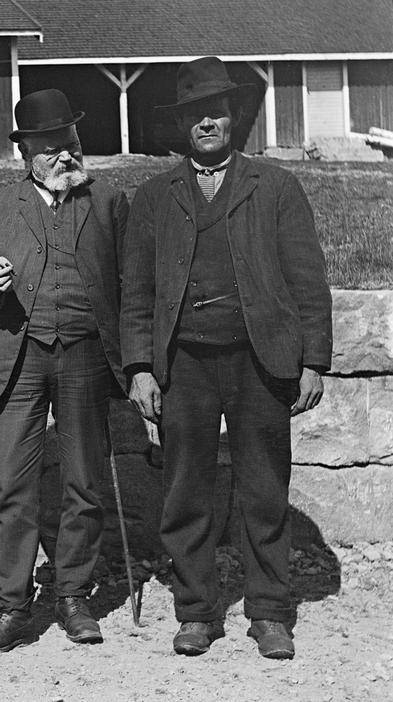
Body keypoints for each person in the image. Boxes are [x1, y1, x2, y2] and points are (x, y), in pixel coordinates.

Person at [121, 57, 333, 660]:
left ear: (233, 116)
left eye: (216, 110)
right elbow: (135, 289)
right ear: (182, 124)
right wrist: (139, 366)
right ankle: (196, 610)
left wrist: (313, 359)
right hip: (183, 363)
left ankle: (269, 611)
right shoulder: (155, 196)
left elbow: (307, 280)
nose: (206, 122)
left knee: (264, 489)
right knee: (185, 489)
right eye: (194, 114)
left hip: (260, 362)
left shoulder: (276, 187)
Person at [0, 89, 130, 653]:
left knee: (84, 480)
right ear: (26, 152)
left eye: (73, 144)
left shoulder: (107, 201)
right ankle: (12, 608)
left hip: (84, 354)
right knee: (12, 486)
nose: (65, 157)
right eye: (53, 147)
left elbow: (131, 285)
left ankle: (75, 596)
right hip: (16, 353)